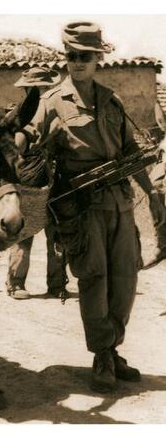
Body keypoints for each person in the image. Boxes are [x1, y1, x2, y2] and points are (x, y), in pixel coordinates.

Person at [18, 22, 165, 392]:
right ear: (65, 59)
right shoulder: (52, 101)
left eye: (85, 56)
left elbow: (131, 152)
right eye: (71, 56)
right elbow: (30, 137)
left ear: (98, 59)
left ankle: (113, 348)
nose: (78, 62)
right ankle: (102, 354)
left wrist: (153, 195)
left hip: (120, 203)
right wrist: (18, 138)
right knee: (95, 279)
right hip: (83, 209)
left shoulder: (112, 100)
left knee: (126, 280)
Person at [6, 67, 68, 300]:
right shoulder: (19, 114)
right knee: (24, 230)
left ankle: (56, 283)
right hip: (30, 176)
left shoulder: (60, 111)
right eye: (39, 89)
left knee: (58, 232)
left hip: (57, 174)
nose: (44, 93)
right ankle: (16, 282)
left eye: (46, 89)